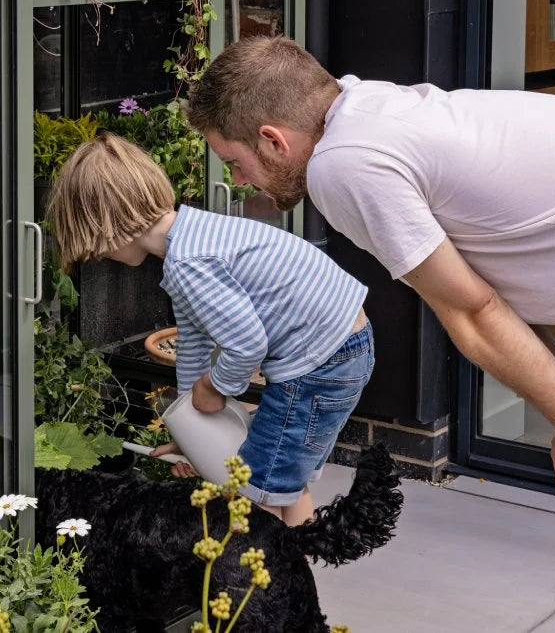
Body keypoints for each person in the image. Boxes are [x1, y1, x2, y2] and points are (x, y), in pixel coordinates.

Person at [187, 34, 555, 632]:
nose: (239, 179)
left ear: (273, 139)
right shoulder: (370, 110)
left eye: (235, 161)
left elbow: (473, 314)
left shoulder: (344, 166)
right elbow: (494, 294)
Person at [47, 132, 373, 525]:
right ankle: (290, 577)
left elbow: (246, 345)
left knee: (251, 498)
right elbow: (194, 346)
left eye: (95, 245)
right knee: (282, 481)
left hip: (319, 361)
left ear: (109, 223)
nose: (99, 257)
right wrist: (191, 436)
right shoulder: (194, 238)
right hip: (338, 350)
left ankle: (254, 583)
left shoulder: (188, 264)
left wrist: (211, 387)